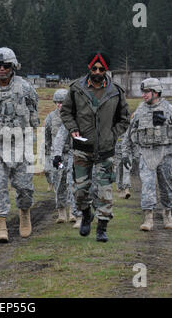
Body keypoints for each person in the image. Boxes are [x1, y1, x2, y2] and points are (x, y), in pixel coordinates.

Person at [60, 51, 130, 242]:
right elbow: (66, 112)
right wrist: (73, 129)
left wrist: (112, 135)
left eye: (101, 69)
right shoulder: (76, 89)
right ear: (89, 68)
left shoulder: (116, 91)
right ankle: (86, 214)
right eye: (94, 68)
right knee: (80, 190)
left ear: (106, 70)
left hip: (105, 150)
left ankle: (102, 227)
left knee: (104, 191)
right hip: (82, 149)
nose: (97, 72)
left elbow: (124, 119)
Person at [0, 47, 39, 243]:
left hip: (21, 143)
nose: (1, 69)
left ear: (13, 67)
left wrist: (32, 130)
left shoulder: (25, 87)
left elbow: (34, 109)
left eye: (6, 65)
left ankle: (25, 214)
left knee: (24, 187)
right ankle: (1, 225)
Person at [122, 78, 172, 231]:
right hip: (147, 153)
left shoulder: (169, 109)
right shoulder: (140, 110)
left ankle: (167, 213)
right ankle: (148, 218)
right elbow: (128, 134)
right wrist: (124, 154)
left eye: (147, 92)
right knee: (147, 186)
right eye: (143, 92)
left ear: (156, 92)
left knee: (167, 186)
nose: (144, 95)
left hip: (166, 153)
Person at [46, 89, 71, 221]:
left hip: (71, 154)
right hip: (58, 157)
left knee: (72, 183)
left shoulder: (74, 116)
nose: (59, 105)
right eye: (57, 102)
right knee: (60, 182)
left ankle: (74, 211)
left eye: (62, 102)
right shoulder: (51, 117)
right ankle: (61, 211)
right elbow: (47, 137)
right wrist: (49, 153)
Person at [53, 124, 81, 228]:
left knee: (83, 185)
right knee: (62, 182)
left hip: (82, 154)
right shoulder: (56, 118)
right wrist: (56, 154)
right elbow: (58, 138)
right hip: (63, 156)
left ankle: (77, 213)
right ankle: (63, 210)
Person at [114, 130, 132, 199]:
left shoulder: (130, 127)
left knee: (127, 170)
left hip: (127, 153)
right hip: (117, 153)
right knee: (119, 171)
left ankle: (127, 190)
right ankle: (120, 189)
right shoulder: (116, 127)